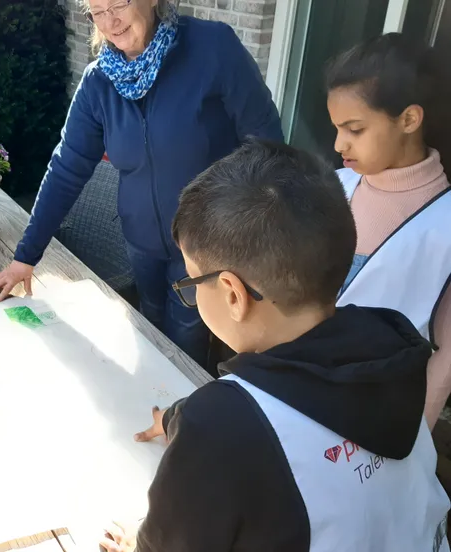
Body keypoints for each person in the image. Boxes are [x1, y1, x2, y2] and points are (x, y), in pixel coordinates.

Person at [109, 140, 450, 551]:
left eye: (192, 280)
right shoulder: (395, 347)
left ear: (233, 295)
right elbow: (304, 392)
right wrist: (178, 419)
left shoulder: (219, 429)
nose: (191, 292)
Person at [0, 0, 283, 371]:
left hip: (205, 245)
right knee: (148, 332)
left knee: (183, 348)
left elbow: (268, 146)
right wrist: (25, 256)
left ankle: (186, 419)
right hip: (141, 242)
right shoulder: (99, 81)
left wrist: (249, 228)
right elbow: (67, 167)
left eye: (119, 4)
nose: (110, 20)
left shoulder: (213, 48)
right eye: (97, 10)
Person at [326, 34, 451, 429]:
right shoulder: (335, 186)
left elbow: (445, 361)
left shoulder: (444, 224)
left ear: (410, 119)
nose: (338, 143)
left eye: (355, 129)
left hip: (374, 420)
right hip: (301, 391)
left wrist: (411, 445)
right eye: (337, 128)